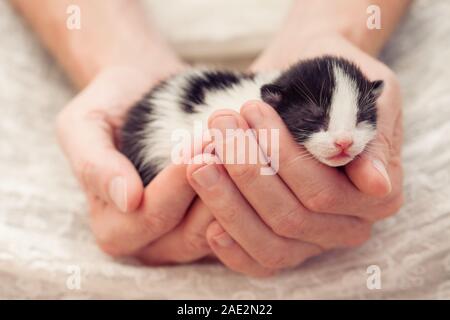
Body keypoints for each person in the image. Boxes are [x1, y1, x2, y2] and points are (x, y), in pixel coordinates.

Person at [12, 0, 408, 276]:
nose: (343, 142)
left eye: (358, 122)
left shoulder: (294, 106)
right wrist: (114, 57)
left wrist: (339, 29)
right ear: (276, 103)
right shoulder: (254, 109)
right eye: (320, 121)